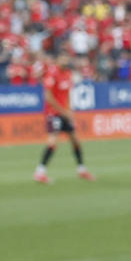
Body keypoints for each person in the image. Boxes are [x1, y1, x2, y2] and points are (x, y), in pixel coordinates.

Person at [35, 55, 93, 183]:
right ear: (58, 60)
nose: (66, 61)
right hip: (53, 113)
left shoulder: (68, 74)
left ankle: (81, 170)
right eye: (63, 58)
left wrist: (69, 110)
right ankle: (40, 172)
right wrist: (63, 111)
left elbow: (67, 95)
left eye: (67, 59)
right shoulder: (51, 74)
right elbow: (48, 97)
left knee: (75, 140)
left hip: (65, 113)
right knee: (53, 141)